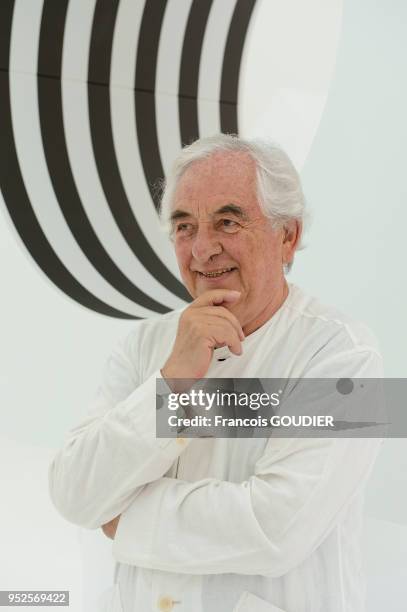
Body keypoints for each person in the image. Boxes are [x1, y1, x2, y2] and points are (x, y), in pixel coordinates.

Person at [49, 134, 383, 612]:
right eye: (184, 226)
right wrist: (173, 383)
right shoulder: (146, 345)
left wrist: (123, 517)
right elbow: (72, 491)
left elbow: (277, 529)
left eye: (228, 221)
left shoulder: (345, 355)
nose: (202, 249)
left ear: (286, 236)